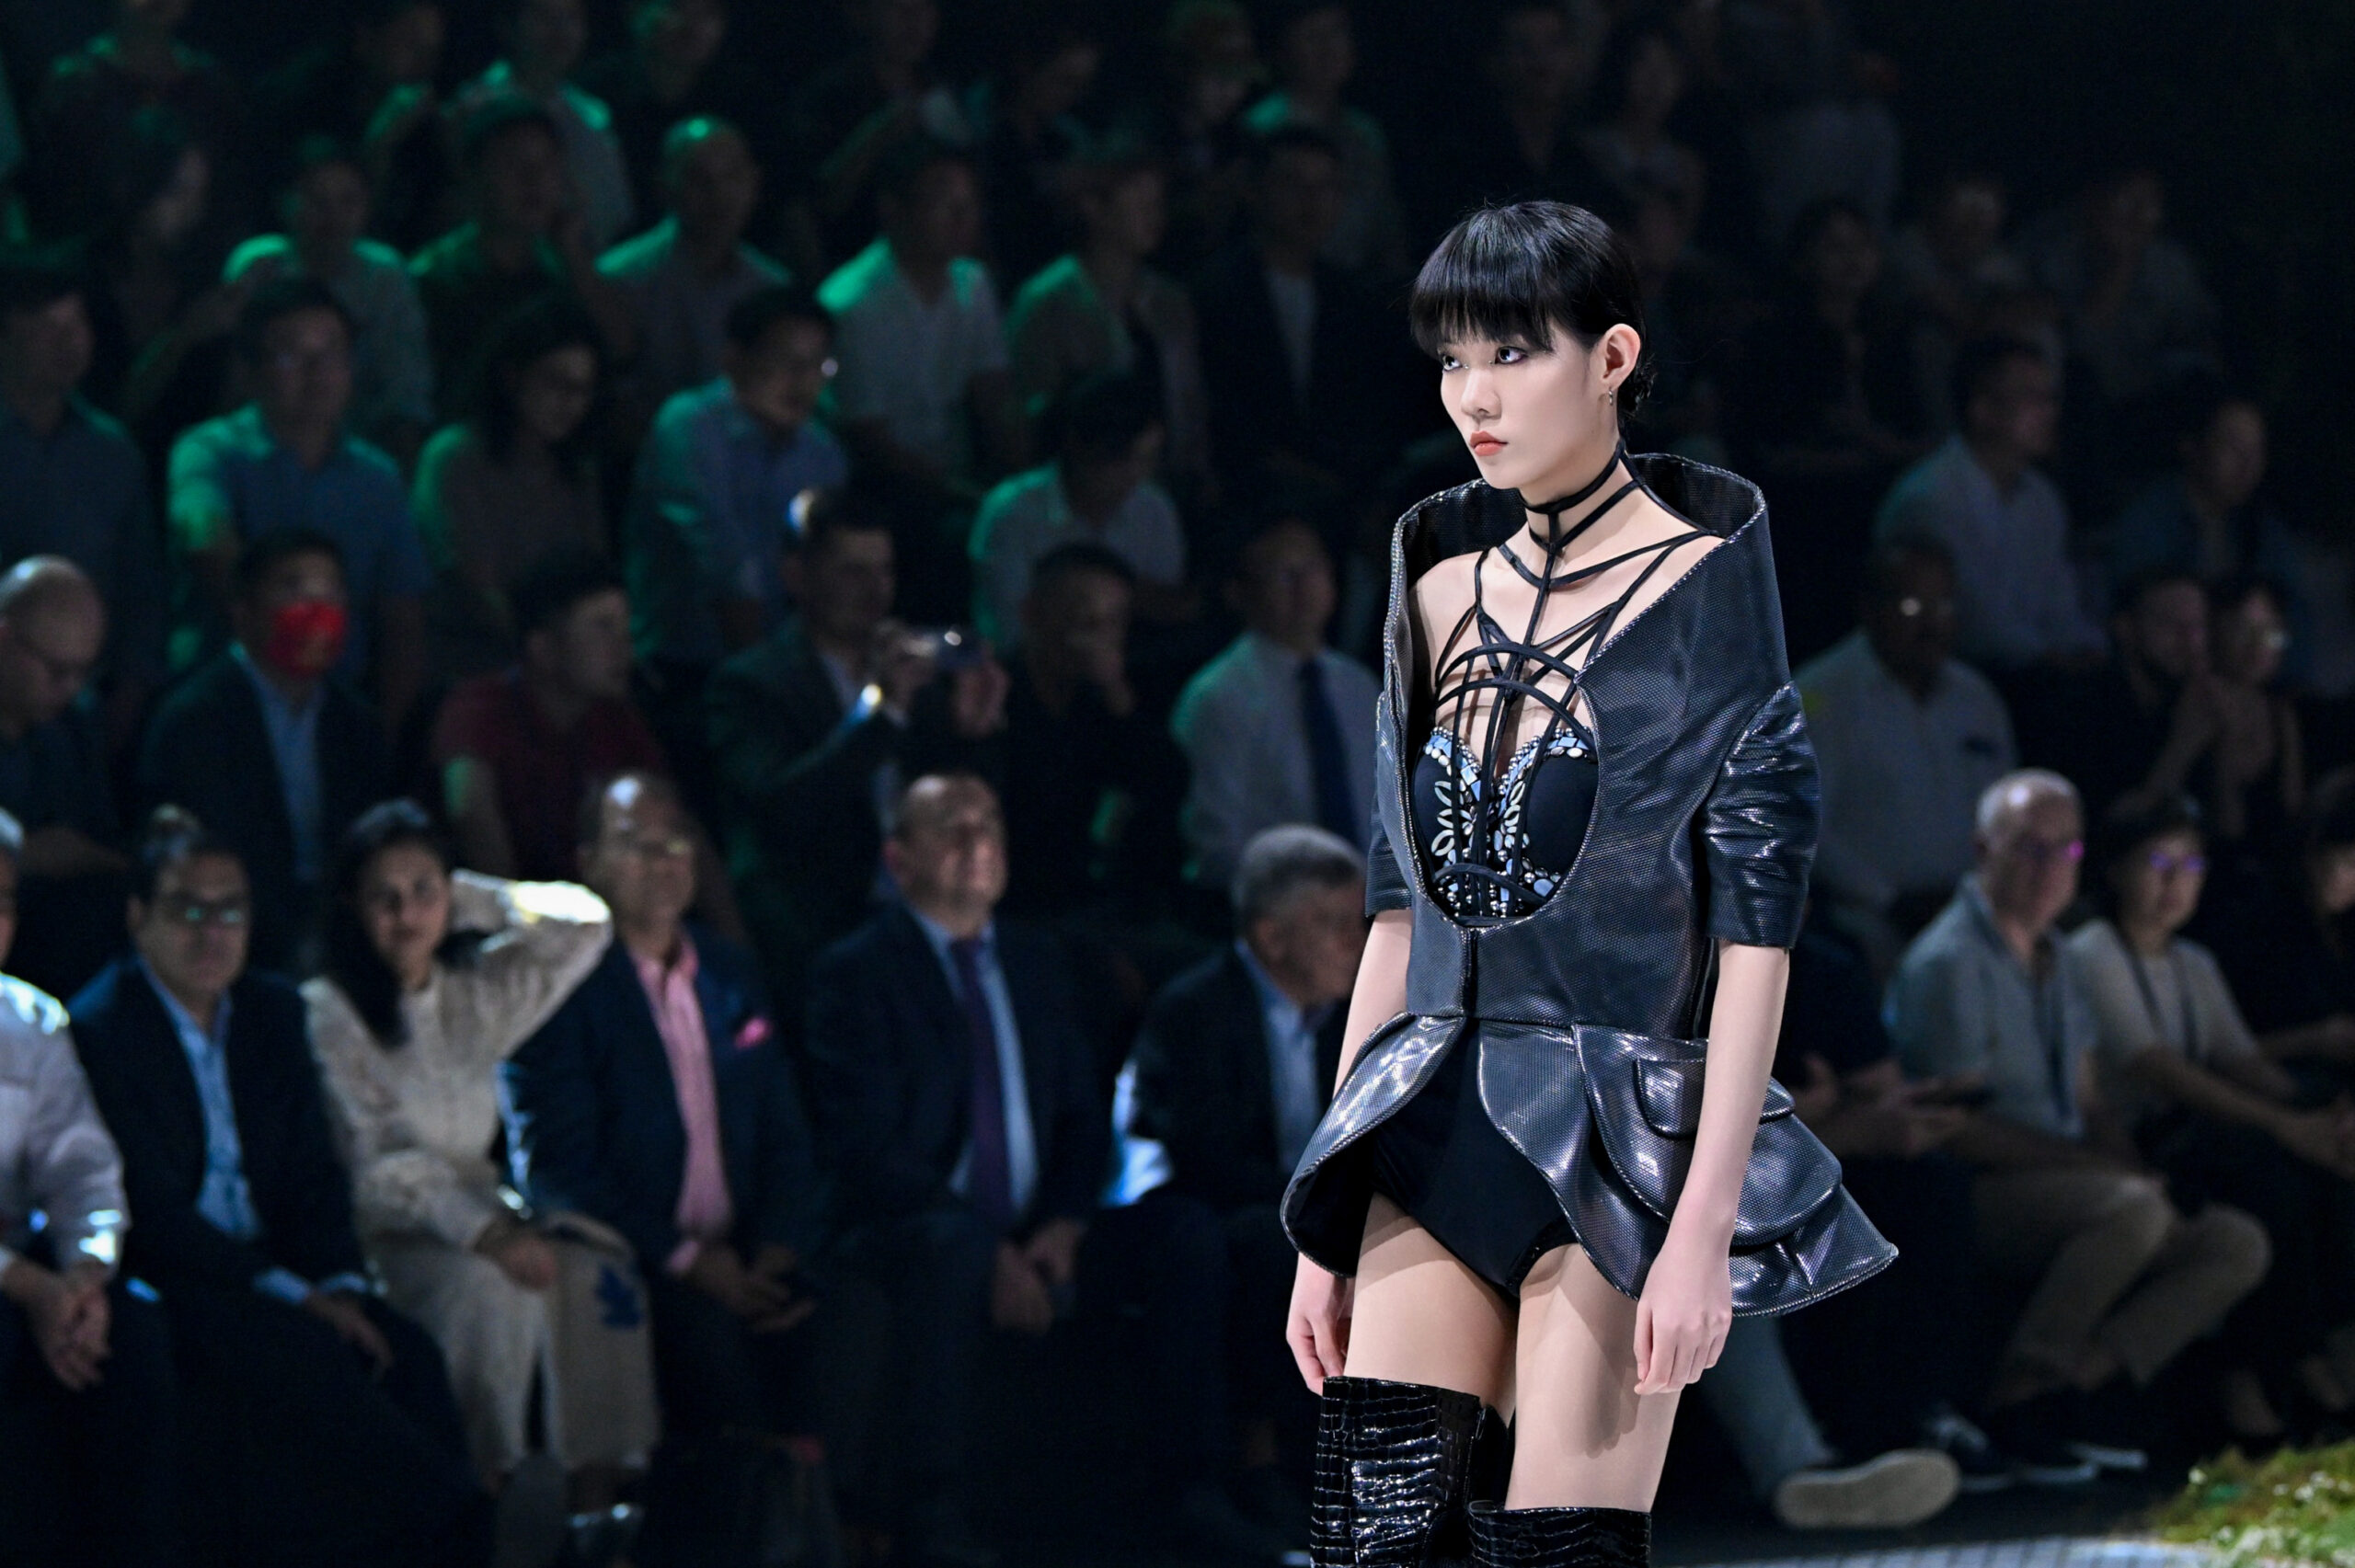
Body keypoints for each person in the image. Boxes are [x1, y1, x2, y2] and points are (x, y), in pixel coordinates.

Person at [1281, 201, 1890, 1568]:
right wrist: (1328, 1213)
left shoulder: (1708, 591)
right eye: (1451, 360)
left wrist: (1704, 1231)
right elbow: (1396, 913)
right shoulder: (1434, 587)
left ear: (1612, 357)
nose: (1473, 398)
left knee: (1560, 1553)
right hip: (1428, 1123)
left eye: (1511, 353)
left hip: (1618, 1142)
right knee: (1377, 1546)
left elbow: (1753, 942)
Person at [807, 773, 1227, 1566]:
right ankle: (933, 1508)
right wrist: (990, 1245)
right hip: (913, 1226)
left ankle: (1196, 1487)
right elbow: (867, 1148)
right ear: (898, 858)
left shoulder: (1038, 959)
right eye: (950, 826)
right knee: (953, 1250)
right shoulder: (856, 971)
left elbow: (1081, 1115)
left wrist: (1065, 1223)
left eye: (989, 822)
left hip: (1039, 1227)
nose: (977, 841)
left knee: (1186, 1235)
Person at [69, 808, 491, 1567]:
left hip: (281, 1262)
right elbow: (154, 1212)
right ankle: (469, 1524)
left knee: (410, 1355)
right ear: (139, 917)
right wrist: (298, 1295)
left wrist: (340, 1282)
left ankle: (456, 1535)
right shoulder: (104, 1026)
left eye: (230, 909)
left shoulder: (272, 1011)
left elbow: (311, 1176)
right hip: (184, 1271)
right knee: (310, 1353)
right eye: (188, 910)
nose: (212, 931)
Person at [503, 772, 888, 1515]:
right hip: (642, 1259)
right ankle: (745, 1529)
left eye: (675, 842)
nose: (662, 861)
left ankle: (818, 1524)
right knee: (708, 1342)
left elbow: (785, 1133)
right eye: (635, 844)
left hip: (746, 1252)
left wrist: (777, 1247)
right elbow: (557, 1170)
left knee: (855, 1312)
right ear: (589, 863)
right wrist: (687, 1261)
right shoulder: (561, 987)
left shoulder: (728, 967)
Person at [1888, 771, 2269, 1464]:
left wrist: (2131, 1169)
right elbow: (1958, 1127)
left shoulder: (2057, 953)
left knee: (2232, 1241)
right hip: (1977, 1187)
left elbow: (2090, 1100)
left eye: (2065, 850)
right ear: (1983, 849)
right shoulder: (1951, 963)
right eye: (2029, 848)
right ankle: (2019, 1396)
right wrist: (2109, 1175)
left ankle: (2069, 1385)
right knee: (2130, 1210)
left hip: (2071, 1180)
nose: (2050, 867)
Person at [303, 799, 626, 1486]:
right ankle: (485, 1479)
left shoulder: (468, 992)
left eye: (423, 891)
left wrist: (471, 898)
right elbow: (379, 1160)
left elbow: (587, 923)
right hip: (392, 1232)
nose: (407, 914)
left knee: (594, 1274)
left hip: (485, 1208)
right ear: (353, 906)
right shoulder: (330, 1009)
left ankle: (594, 1491)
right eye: (385, 897)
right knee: (483, 1285)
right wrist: (486, 1234)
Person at [2069, 794, 2355, 1441]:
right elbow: (2159, 1068)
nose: (2176, 883)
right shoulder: (2093, 952)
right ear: (2116, 869)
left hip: (2206, 1137)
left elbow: (2244, 1060)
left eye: (2192, 866)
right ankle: (2279, 1370)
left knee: (2311, 1159)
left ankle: (2307, 1358)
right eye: (2159, 864)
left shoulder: (2192, 963)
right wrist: (2288, 1126)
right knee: (2264, 1167)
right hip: (2132, 1145)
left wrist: (2325, 1117)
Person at [1127, 824, 1366, 1524]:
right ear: (1272, 936)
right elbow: (1198, 1151)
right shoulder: (1194, 1009)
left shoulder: (1355, 1017)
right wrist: (1314, 1208)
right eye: (1332, 923)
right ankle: (1255, 1466)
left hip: (1307, 1207)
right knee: (1265, 1246)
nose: (1355, 941)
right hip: (1212, 1206)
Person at [706, 489, 1005, 1009]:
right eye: (852, 572)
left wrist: (975, 732)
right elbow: (781, 810)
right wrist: (882, 716)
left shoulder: (918, 677)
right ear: (797, 576)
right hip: (819, 922)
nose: (875, 591)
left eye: (885, 571)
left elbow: (966, 799)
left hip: (923, 909)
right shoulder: (750, 685)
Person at [0, 805, 180, 1568]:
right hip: (13, 1278)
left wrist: (85, 1271)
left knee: (133, 1336)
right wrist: (32, 1287)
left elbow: (80, 1163)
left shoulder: (28, 1018)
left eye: (5, 900)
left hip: (33, 1264)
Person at [166, 278, 428, 727]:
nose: (318, 371)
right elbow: (205, 540)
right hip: (226, 700)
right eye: (292, 355)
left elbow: (403, 616)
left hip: (337, 706)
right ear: (251, 370)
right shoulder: (210, 451)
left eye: (333, 354)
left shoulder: (377, 476)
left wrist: (386, 731)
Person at [136, 530, 393, 977]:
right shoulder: (195, 718)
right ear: (243, 612)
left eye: (331, 592)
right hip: (237, 933)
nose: (316, 611)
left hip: (343, 930)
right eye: (294, 590)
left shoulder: (358, 724)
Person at [1797, 532, 2016, 965]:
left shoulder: (1977, 699)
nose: (1931, 625)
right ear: (1870, 608)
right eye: (1912, 607)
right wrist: (1889, 900)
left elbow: (2006, 809)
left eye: (1944, 606)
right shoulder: (1820, 697)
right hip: (1865, 933)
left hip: (1977, 922)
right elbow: (1804, 825)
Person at [625, 283, 848, 684]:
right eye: (785, 361)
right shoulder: (689, 426)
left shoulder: (821, 452)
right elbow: (725, 564)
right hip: (680, 666)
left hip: (784, 665)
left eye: (818, 365)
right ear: (734, 360)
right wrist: (765, 682)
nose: (803, 381)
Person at [1731, 199, 1924, 659]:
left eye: (1862, 245)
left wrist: (1867, 438)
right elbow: (1767, 447)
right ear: (1804, 258)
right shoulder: (1775, 338)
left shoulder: (1892, 335)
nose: (1852, 259)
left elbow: (1918, 438)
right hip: (1801, 500)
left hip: (1881, 491)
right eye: (1836, 246)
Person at [1191, 125, 1403, 512]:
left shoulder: (1351, 298)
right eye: (1293, 184)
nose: (1313, 201)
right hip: (1246, 495)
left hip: (1343, 495)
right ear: (1255, 191)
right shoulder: (1217, 291)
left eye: (1327, 187)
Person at [0, 252, 167, 716]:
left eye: (77, 324)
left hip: (87, 701)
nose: (69, 342)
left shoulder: (112, 451)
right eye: (48, 327)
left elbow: (140, 587)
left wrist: (130, 693)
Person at [1171, 518, 1379, 892]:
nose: (1303, 586)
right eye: (1282, 574)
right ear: (1238, 592)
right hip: (1276, 900)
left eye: (1313, 568)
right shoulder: (1219, 695)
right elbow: (1215, 837)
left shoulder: (1359, 685)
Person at [433, 553, 668, 884]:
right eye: (603, 627)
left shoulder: (617, 719)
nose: (624, 645)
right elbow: (469, 811)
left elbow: (671, 820)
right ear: (543, 648)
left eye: (624, 626)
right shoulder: (479, 708)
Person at [1873, 336, 2102, 673]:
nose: (2049, 412)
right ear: (1982, 409)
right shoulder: (1931, 500)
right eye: (2030, 397)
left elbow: (2059, 604)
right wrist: (2049, 659)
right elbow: (1970, 623)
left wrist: (2087, 649)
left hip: (2036, 673)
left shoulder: (2041, 498)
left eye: (2051, 398)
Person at [817, 136, 1022, 510]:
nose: (962, 218)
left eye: (969, 204)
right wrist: (964, 497)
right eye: (944, 204)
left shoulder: (972, 282)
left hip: (960, 482)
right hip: (878, 496)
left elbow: (994, 393)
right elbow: (868, 438)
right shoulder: (853, 304)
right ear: (892, 208)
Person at [1005, 141, 1212, 503]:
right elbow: (1032, 422)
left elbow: (1190, 403)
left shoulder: (1171, 301)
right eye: (1140, 201)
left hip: (1175, 492)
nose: (1155, 214)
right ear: (1093, 207)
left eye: (1158, 202)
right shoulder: (1047, 303)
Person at [413, 296, 608, 681]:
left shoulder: (578, 472)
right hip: (470, 669)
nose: (570, 402)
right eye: (556, 382)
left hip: (559, 671)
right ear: (512, 377)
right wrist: (562, 653)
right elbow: (476, 590)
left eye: (583, 389)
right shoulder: (456, 457)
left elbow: (592, 580)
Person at [995, 544, 1189, 921]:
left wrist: (1116, 693)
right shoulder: (991, 695)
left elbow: (1167, 781)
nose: (1093, 634)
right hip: (1011, 901)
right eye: (1079, 614)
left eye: (1112, 620)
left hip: (1094, 903)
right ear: (1031, 612)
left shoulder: (1111, 702)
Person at [409, 97, 636, 418]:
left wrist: (574, 255)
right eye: (513, 163)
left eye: (547, 164)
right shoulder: (434, 279)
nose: (534, 179)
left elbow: (623, 349)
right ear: (474, 174)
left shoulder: (565, 271)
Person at [223, 137, 436, 465]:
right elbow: (236, 378)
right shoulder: (260, 266)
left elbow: (406, 386)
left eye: (348, 201)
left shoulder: (384, 275)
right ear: (285, 203)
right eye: (316, 200)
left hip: (363, 446)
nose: (332, 215)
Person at [968, 369, 1189, 646]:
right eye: (1121, 458)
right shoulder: (1013, 513)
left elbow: (1166, 609)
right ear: (1078, 445)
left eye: (1147, 459)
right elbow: (1010, 629)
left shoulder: (1153, 508)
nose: (1135, 475)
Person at [597, 116, 788, 428]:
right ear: (664, 187)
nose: (719, 194)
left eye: (732, 176)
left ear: (754, 182)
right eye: (698, 178)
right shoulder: (620, 278)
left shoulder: (772, 288)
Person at [0, 559, 129, 1001]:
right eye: (56, 670)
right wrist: (26, 856)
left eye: (83, 673)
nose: (71, 688)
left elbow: (100, 836)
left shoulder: (72, 731)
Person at [1240, 0, 1409, 285]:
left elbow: (1385, 223)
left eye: (1337, 32)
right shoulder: (1261, 125)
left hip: (1361, 287)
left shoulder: (1365, 131)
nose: (1330, 49)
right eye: (1313, 36)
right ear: (1283, 50)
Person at [447, 0, 634, 253]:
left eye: (572, 17)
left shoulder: (592, 116)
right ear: (508, 26)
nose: (561, 30)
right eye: (544, 17)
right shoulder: (472, 110)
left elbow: (613, 215)